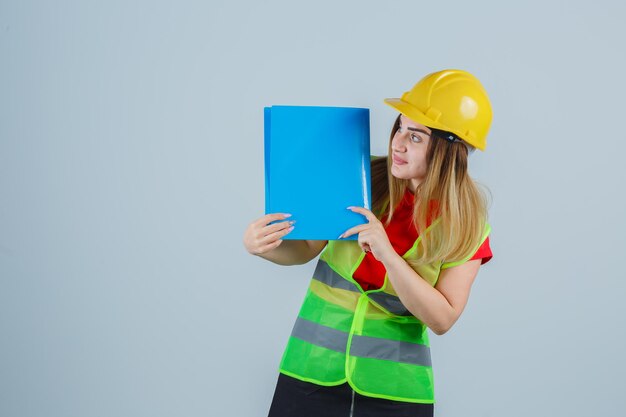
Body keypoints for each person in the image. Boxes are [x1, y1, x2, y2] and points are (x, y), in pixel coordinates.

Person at [243, 69, 494, 417]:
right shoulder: (361, 178)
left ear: (452, 151)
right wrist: (265, 247)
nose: (398, 143)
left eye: (416, 137)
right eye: (400, 128)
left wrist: (387, 254)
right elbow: (305, 249)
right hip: (309, 371)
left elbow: (443, 318)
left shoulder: (468, 226)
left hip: (395, 390)